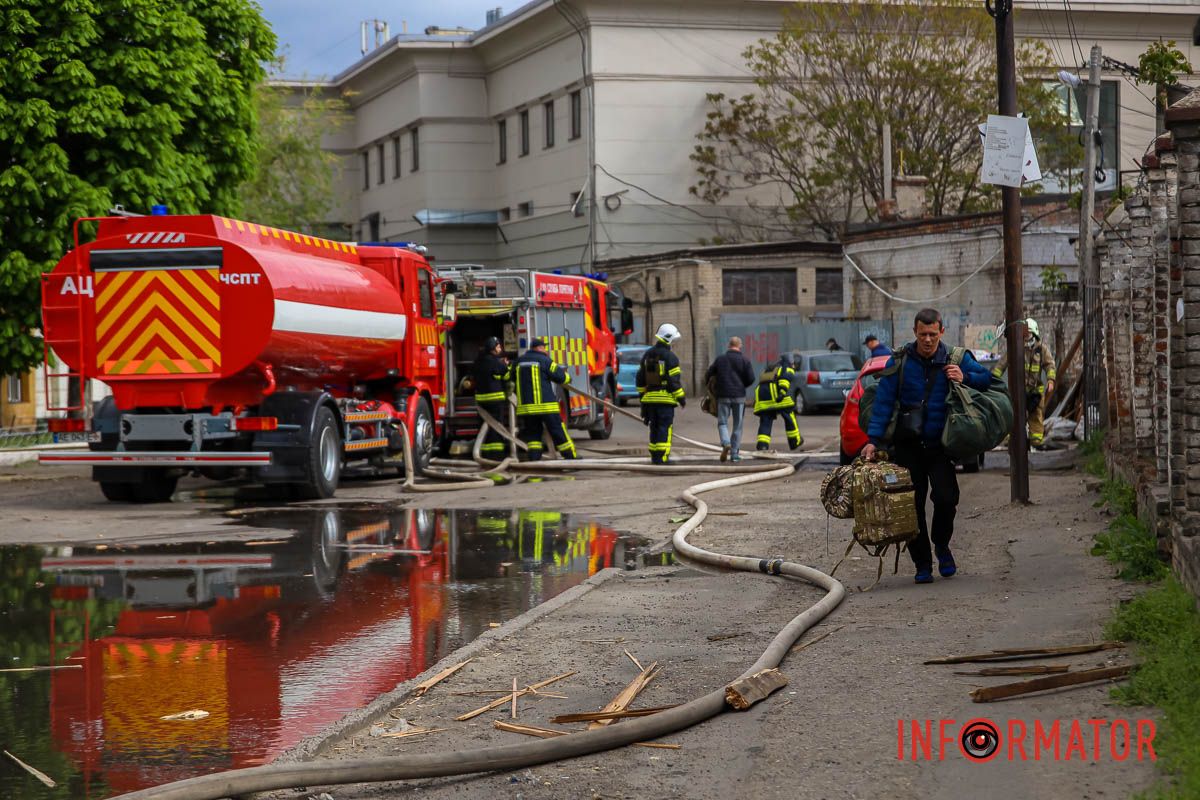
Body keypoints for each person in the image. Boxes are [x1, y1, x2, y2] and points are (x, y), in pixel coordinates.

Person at [861, 308, 992, 584]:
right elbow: (883, 403)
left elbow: (987, 379)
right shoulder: (900, 361)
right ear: (915, 332)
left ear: (941, 332)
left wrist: (965, 377)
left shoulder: (955, 358)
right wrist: (873, 441)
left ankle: (942, 546)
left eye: (933, 334)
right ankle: (922, 563)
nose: (928, 340)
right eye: (923, 335)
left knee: (946, 498)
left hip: (939, 447)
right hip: (907, 448)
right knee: (911, 506)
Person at [508, 337, 577, 461]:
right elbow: (560, 377)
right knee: (557, 431)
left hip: (527, 408)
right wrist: (568, 378)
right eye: (544, 347)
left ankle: (534, 458)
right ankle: (570, 455)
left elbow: (509, 378)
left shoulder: (518, 361)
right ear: (539, 348)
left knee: (533, 435)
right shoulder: (545, 360)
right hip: (546, 406)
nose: (546, 350)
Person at [991, 318, 1057, 449]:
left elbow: (1050, 365)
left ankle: (1036, 441)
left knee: (1036, 416)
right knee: (1013, 415)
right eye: (1025, 335)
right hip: (1018, 391)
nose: (1027, 337)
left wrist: (1051, 380)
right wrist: (992, 380)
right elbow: (1001, 365)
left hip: (1035, 391)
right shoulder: (1015, 348)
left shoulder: (1041, 349)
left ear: (1035, 334)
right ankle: (1013, 440)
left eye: (1029, 334)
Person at [636, 323, 686, 464]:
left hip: (649, 400)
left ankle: (655, 457)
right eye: (674, 340)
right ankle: (663, 458)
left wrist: (642, 399)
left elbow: (640, 378)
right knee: (664, 428)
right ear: (669, 339)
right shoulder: (671, 357)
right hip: (665, 400)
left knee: (654, 428)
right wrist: (681, 398)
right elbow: (673, 381)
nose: (674, 343)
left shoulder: (647, 354)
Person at [705, 336, 755, 462]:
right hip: (739, 397)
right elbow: (751, 378)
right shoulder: (745, 360)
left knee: (722, 422)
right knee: (738, 425)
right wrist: (741, 386)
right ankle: (734, 454)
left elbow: (709, 373)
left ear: (729, 345)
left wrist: (712, 387)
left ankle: (726, 442)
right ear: (740, 346)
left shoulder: (720, 359)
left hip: (723, 395)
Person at [753, 354, 804, 452]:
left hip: (763, 400)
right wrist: (782, 393)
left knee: (765, 422)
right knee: (790, 418)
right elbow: (784, 380)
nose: (794, 365)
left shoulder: (769, 369)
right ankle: (795, 441)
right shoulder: (786, 368)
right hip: (777, 398)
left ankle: (762, 445)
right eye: (793, 363)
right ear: (789, 362)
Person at [472, 336, 510, 460]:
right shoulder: (495, 362)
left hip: (481, 400)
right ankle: (496, 454)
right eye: (498, 346)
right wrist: (506, 365)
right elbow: (507, 376)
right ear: (493, 348)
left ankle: (484, 453)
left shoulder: (478, 362)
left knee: (484, 426)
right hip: (495, 399)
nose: (500, 348)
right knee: (496, 426)